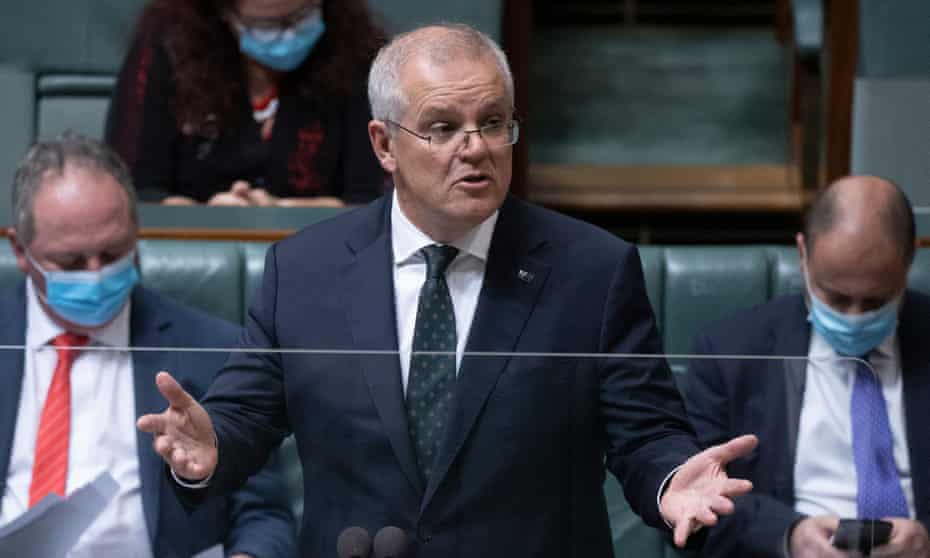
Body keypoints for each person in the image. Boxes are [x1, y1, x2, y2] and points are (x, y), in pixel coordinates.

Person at [138, 24, 758, 557]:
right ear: (385, 145)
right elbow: (248, 414)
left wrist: (672, 480)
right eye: (442, 128)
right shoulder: (305, 270)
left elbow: (645, 432)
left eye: (493, 123)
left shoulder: (592, 270)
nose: (477, 149)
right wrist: (212, 446)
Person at [0, 133, 296, 557]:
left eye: (114, 251)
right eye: (70, 262)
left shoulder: (214, 350)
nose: (97, 273)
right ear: (21, 251)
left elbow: (264, 516)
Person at [682, 176, 930, 557]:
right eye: (835, 296)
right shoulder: (730, 352)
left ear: (910, 260)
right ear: (803, 254)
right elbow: (691, 502)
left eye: (875, 301)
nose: (854, 316)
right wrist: (788, 537)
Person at [105, 0, 387, 207]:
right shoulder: (164, 49)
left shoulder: (360, 56)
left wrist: (286, 211)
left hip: (324, 247)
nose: (289, 34)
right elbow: (133, 190)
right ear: (225, 15)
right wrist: (206, 215)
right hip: (194, 252)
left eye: (302, 17)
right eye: (269, 26)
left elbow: (374, 197)